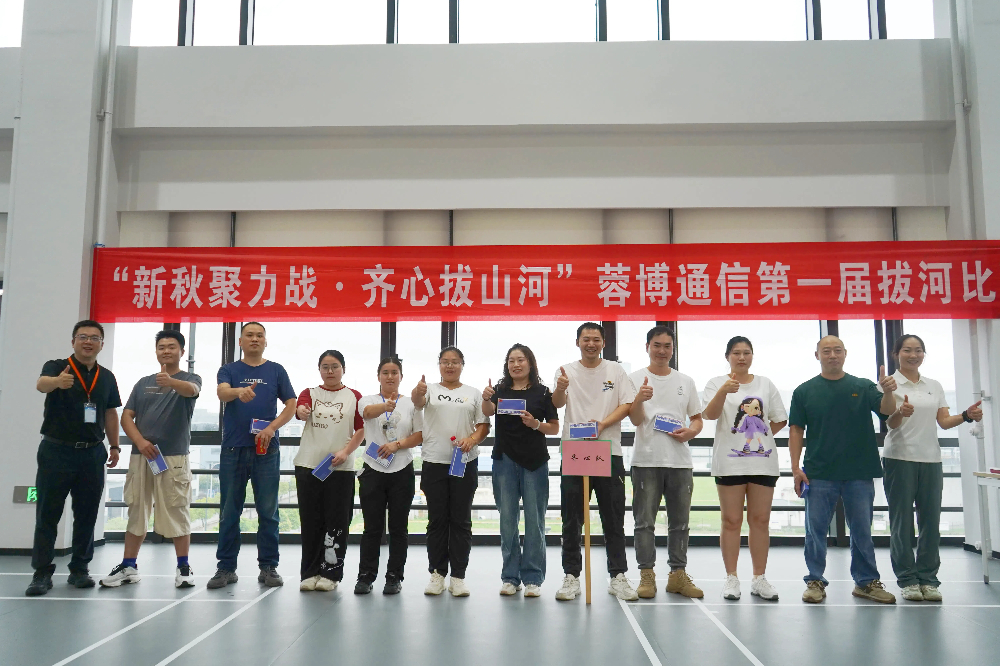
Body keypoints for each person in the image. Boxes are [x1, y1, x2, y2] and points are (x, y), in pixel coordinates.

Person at [789, 335, 898, 604]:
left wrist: (887, 391)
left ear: (845, 354)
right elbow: (796, 430)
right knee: (815, 531)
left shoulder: (862, 386)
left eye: (837, 350)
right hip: (819, 472)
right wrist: (795, 467)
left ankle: (866, 582)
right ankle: (815, 581)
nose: (832, 355)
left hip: (859, 472)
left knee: (862, 530)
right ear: (817, 355)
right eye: (826, 351)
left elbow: (887, 411)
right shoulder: (804, 391)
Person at [881, 334, 983, 602]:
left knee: (930, 522)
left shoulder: (933, 385)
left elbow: (944, 422)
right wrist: (900, 412)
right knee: (902, 522)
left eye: (918, 350)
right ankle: (907, 579)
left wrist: (966, 416)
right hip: (899, 458)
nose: (913, 355)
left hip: (931, 460)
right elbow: (889, 423)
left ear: (923, 354)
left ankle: (928, 579)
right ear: (896, 354)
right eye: (907, 350)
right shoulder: (889, 384)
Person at [26, 320, 122, 596]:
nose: (88, 342)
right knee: (47, 513)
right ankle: (41, 573)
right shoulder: (57, 366)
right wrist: (58, 382)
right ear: (73, 341)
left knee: (87, 514)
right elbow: (41, 385)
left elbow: (110, 413)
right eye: (83, 337)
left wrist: (115, 446)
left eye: (94, 338)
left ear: (101, 344)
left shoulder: (106, 377)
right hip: (56, 451)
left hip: (92, 452)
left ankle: (80, 569)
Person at [100, 330, 202, 590]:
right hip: (141, 456)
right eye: (161, 347)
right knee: (136, 509)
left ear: (181, 351)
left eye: (171, 347)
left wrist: (171, 382)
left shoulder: (189, 378)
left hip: (174, 457)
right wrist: (140, 442)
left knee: (177, 510)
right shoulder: (143, 382)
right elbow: (126, 416)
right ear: (156, 351)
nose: (166, 351)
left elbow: (192, 391)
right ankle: (129, 566)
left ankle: (183, 567)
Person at [552, 322, 638, 602]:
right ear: (577, 342)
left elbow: (627, 404)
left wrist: (602, 424)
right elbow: (557, 403)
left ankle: (618, 576)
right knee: (571, 518)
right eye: (586, 339)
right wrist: (560, 388)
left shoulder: (616, 370)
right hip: (575, 450)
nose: (591, 343)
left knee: (613, 517)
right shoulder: (565, 370)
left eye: (596, 339)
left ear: (603, 343)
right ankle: (571, 576)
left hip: (608, 450)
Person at [209, 322, 296, 590]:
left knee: (268, 512)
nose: (255, 339)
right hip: (233, 449)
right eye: (249, 335)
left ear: (266, 342)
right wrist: (239, 392)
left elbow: (291, 404)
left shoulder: (276, 370)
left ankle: (268, 567)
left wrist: (272, 428)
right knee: (229, 511)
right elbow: (222, 392)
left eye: (260, 335)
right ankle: (226, 568)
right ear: (240, 342)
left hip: (266, 448)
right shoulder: (229, 369)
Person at [702, 336, 787, 602]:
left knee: (760, 521)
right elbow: (709, 415)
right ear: (727, 356)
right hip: (729, 464)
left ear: (752, 356)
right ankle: (731, 578)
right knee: (731, 521)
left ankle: (759, 578)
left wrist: (760, 440)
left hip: (763, 464)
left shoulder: (765, 383)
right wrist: (723, 392)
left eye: (746, 352)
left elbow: (779, 419)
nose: (741, 357)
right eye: (736, 353)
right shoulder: (716, 383)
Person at [628, 325, 704, 600]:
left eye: (667, 346)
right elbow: (635, 419)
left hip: (679, 461)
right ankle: (646, 575)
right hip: (646, 459)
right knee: (644, 522)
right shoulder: (634, 379)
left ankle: (677, 575)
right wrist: (639, 399)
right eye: (657, 345)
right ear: (647, 347)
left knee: (680, 523)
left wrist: (691, 432)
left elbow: (697, 418)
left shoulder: (685, 381)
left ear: (673, 349)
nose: (662, 351)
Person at [412, 346, 490, 597]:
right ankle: (437, 574)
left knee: (461, 520)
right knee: (437, 520)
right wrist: (418, 391)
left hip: (464, 462)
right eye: (445, 361)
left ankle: (458, 576)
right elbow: (417, 402)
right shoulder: (429, 390)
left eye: (455, 362)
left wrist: (472, 440)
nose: (450, 366)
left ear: (462, 365)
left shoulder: (473, 393)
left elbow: (483, 426)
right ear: (439, 365)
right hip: (434, 461)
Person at [482, 344, 560, 597]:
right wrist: (486, 398)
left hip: (535, 462)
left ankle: (533, 578)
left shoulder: (543, 392)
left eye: (521, 360)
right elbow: (487, 412)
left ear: (530, 363)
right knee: (507, 521)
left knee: (535, 521)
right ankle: (510, 577)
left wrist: (535, 424)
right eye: (511, 361)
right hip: (504, 460)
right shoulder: (500, 390)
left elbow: (554, 427)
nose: (516, 365)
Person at [294, 350, 365, 592]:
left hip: (340, 467)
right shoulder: (310, 393)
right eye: (325, 367)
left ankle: (331, 573)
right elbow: (300, 409)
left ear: (343, 369)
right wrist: (301, 411)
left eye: (335, 366)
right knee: (310, 521)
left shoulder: (354, 396)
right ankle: (309, 572)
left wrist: (346, 452)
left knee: (337, 521)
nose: (330, 371)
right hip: (309, 465)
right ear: (319, 370)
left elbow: (361, 429)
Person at [356, 357, 423, 596]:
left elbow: (419, 435)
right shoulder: (368, 400)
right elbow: (366, 413)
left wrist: (397, 444)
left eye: (395, 372)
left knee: (398, 528)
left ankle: (394, 577)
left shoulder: (411, 404)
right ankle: (366, 576)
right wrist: (386, 406)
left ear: (401, 377)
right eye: (385, 372)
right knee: (372, 528)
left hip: (402, 469)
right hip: (373, 469)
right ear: (378, 377)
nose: (390, 376)